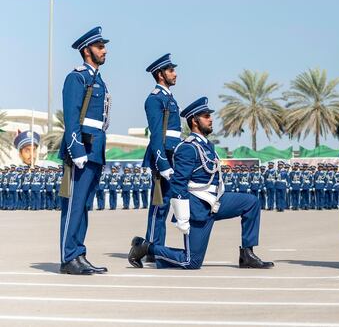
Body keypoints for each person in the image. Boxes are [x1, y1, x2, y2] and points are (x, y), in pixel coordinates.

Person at [128, 97, 273, 270]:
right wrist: (182, 217)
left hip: (215, 201)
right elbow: (179, 184)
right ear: (194, 121)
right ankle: (145, 247)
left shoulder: (207, 146)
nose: (211, 119)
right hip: (197, 208)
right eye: (206, 116)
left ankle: (247, 255)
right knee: (191, 262)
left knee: (251, 202)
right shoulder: (188, 148)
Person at [58, 26, 111, 275]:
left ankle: (79, 254)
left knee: (84, 206)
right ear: (87, 50)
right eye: (100, 47)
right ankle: (69, 257)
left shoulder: (97, 79)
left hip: (95, 150)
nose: (105, 51)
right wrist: (77, 150)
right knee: (74, 205)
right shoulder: (76, 78)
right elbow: (72, 119)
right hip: (80, 151)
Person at [140, 54, 182, 262]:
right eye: (171, 70)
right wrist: (162, 163)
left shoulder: (169, 98)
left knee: (166, 203)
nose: (175, 74)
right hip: (163, 155)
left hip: (173, 154)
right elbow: (157, 135)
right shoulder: (155, 99)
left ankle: (156, 247)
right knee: (159, 205)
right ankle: (151, 248)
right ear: (160, 74)